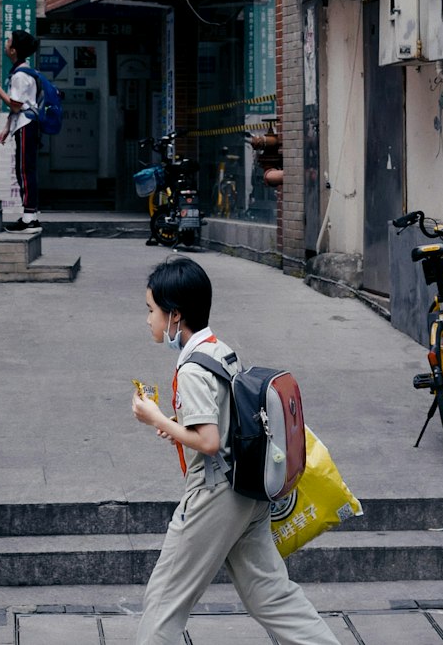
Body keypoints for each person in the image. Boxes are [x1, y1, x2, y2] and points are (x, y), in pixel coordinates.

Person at [131, 257, 338, 645]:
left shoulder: (191, 368)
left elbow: (209, 442)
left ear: (175, 316)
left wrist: (157, 418)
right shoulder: (219, 348)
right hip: (248, 492)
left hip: (214, 496)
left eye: (151, 310)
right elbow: (226, 423)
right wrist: (178, 431)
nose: (148, 320)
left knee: (164, 600)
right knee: (272, 596)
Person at [0, 29, 41, 231]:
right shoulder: (24, 70)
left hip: (26, 125)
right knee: (25, 169)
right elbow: (19, 105)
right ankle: (29, 215)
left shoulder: (20, 75)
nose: (5, 43)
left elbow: (15, 105)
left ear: (13, 50)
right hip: (25, 124)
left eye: (8, 41)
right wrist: (7, 126)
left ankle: (29, 217)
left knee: (25, 170)